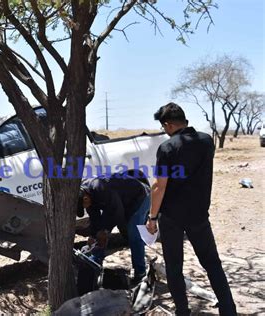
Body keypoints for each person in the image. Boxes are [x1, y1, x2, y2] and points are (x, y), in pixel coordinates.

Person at [146, 102, 236, 315]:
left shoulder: (167, 148)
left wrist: (152, 217)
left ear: (168, 125)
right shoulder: (206, 141)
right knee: (212, 264)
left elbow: (159, 186)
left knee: (174, 268)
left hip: (172, 217)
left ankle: (183, 312)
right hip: (198, 214)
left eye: (164, 128)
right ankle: (228, 309)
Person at [78, 172, 151, 284]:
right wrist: (93, 235)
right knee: (100, 234)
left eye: (84, 206)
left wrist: (105, 231)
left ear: (86, 199)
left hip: (140, 197)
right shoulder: (85, 192)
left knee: (133, 234)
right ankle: (95, 268)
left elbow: (117, 213)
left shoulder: (100, 188)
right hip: (122, 202)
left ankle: (140, 274)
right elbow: (95, 218)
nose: (85, 208)